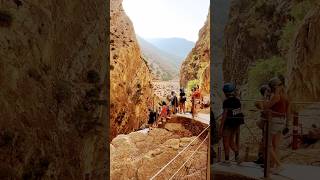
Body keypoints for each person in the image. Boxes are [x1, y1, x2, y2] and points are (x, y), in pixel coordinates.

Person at [256, 77, 290, 172]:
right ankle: (273, 166)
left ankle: (278, 165)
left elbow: (265, 107)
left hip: (273, 121)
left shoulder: (276, 96)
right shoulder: (285, 96)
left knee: (267, 144)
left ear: (273, 87)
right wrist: (287, 124)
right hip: (281, 121)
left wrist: (265, 97)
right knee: (276, 145)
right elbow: (288, 112)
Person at [219, 83, 244, 163]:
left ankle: (227, 160)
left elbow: (225, 114)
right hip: (236, 123)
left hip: (228, 124)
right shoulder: (237, 101)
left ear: (225, 92)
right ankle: (237, 156)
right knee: (231, 141)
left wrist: (221, 127)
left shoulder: (226, 102)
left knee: (225, 141)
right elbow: (238, 112)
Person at [254, 84, 271, 165]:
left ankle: (262, 157)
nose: (269, 92)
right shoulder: (263, 100)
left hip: (266, 121)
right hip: (265, 121)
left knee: (264, 140)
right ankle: (262, 157)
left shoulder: (267, 100)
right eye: (267, 91)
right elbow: (262, 109)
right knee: (264, 140)